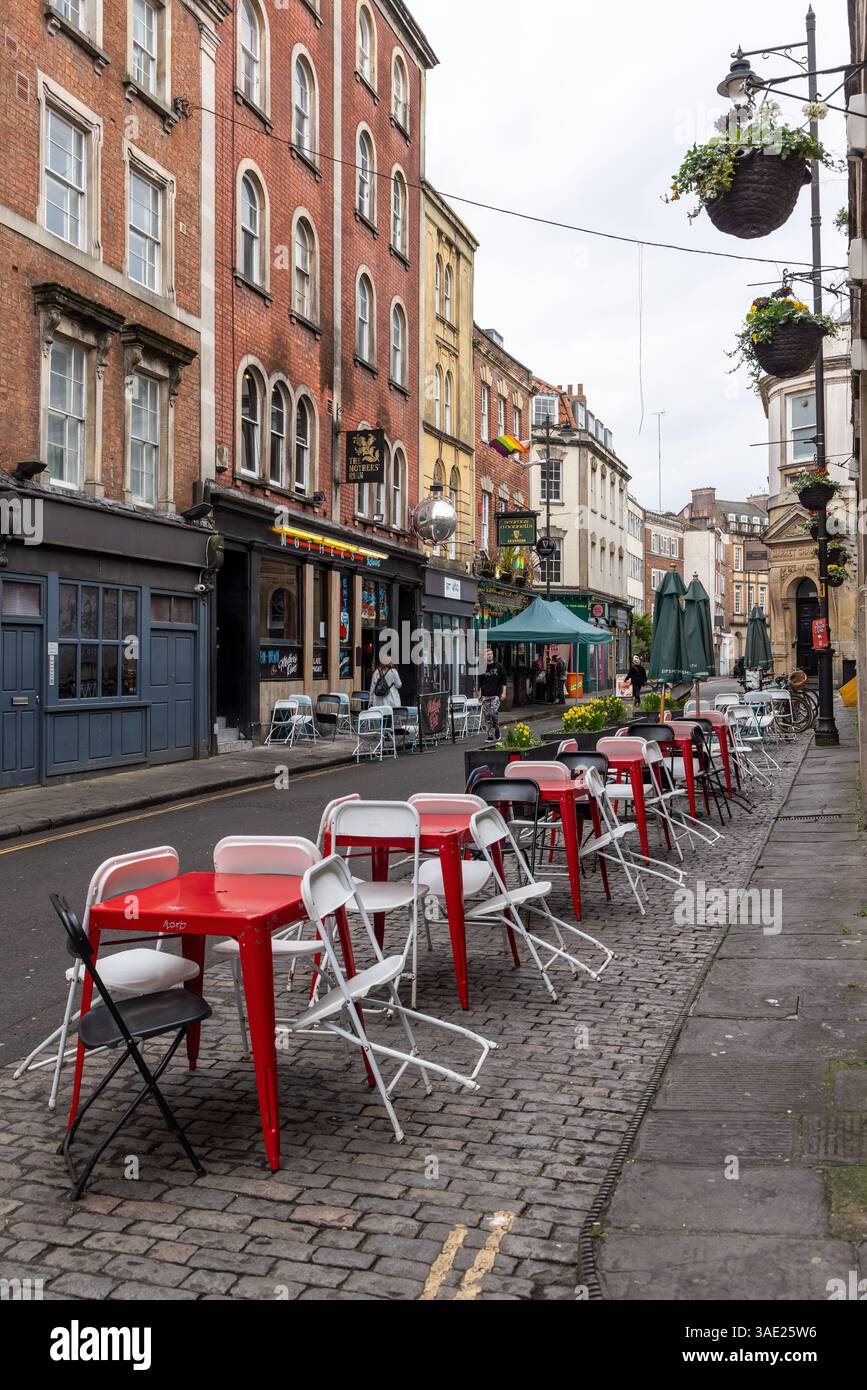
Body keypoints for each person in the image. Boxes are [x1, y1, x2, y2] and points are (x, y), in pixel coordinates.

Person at [478, 647, 507, 743]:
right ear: (485, 656)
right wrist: (479, 694)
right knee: (487, 717)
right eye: (488, 654)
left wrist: (503, 693)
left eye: (491, 654)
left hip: (495, 695)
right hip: (485, 695)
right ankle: (490, 736)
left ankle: (497, 728)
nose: (490, 656)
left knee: (493, 713)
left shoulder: (499, 666)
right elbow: (480, 683)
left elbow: (504, 681)